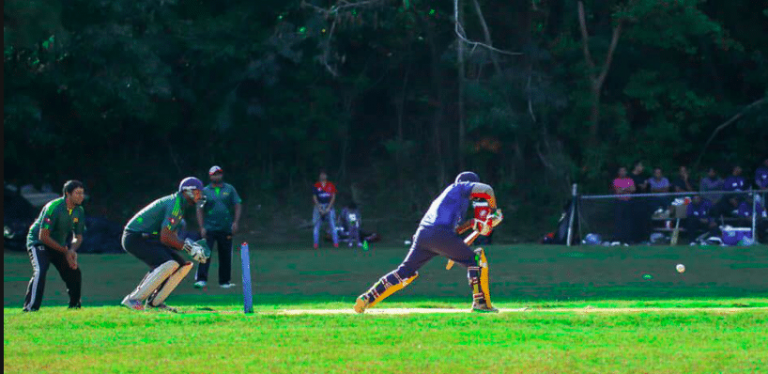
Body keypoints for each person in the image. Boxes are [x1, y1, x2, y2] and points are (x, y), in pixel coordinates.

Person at [353, 171, 502, 314]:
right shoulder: (459, 188)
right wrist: (493, 210)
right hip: (440, 234)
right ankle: (481, 304)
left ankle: (368, 297)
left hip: (424, 235)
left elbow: (454, 233)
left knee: (405, 272)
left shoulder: (450, 199)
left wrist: (471, 224)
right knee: (476, 261)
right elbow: (487, 189)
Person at [120, 177, 209, 312]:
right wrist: (188, 248)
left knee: (182, 265)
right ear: (187, 191)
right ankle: (133, 299)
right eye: (197, 192)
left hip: (148, 238)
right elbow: (165, 236)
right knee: (169, 263)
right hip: (135, 237)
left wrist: (188, 246)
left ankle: (155, 303)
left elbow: (169, 235)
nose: (200, 196)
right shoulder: (175, 204)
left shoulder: (179, 204)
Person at [23, 180, 86, 312]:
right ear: (67, 194)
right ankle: (30, 308)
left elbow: (78, 236)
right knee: (40, 270)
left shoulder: (79, 211)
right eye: (77, 193)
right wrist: (65, 251)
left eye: (82, 193)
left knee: (74, 271)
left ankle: (74, 307)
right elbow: (43, 236)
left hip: (59, 245)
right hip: (39, 243)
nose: (81, 196)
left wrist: (72, 250)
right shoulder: (54, 208)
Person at [194, 166, 242, 289]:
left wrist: (235, 222)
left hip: (225, 227)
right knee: (204, 253)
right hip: (209, 227)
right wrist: (201, 227)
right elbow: (199, 209)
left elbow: (237, 204)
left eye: (219, 174)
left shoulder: (229, 189)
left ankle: (224, 281)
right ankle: (201, 279)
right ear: (210, 176)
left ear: (222, 175)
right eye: (214, 174)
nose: (217, 176)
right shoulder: (205, 190)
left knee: (225, 255)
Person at [312, 170, 339, 249]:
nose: (323, 176)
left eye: (324, 175)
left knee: (333, 225)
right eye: (321, 175)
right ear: (320, 176)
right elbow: (314, 197)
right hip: (319, 206)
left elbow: (333, 197)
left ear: (326, 176)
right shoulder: (316, 185)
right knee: (316, 226)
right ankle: (315, 244)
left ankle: (336, 243)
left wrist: (328, 208)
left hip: (328, 206)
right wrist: (319, 208)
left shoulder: (330, 185)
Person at [612, 167, 635, 244]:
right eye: (621, 171)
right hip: (619, 202)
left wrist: (623, 189)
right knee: (619, 221)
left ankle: (628, 239)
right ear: (618, 172)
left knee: (628, 221)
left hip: (628, 202)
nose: (622, 172)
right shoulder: (616, 181)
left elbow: (633, 189)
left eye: (624, 171)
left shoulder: (629, 180)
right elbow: (618, 191)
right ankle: (618, 239)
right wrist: (626, 189)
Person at [629, 161, 650, 243]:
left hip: (643, 201)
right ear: (636, 166)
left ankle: (643, 239)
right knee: (634, 220)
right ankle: (634, 239)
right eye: (641, 166)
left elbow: (645, 186)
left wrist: (644, 185)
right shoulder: (630, 177)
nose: (642, 168)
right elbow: (632, 187)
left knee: (643, 220)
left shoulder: (643, 177)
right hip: (633, 202)